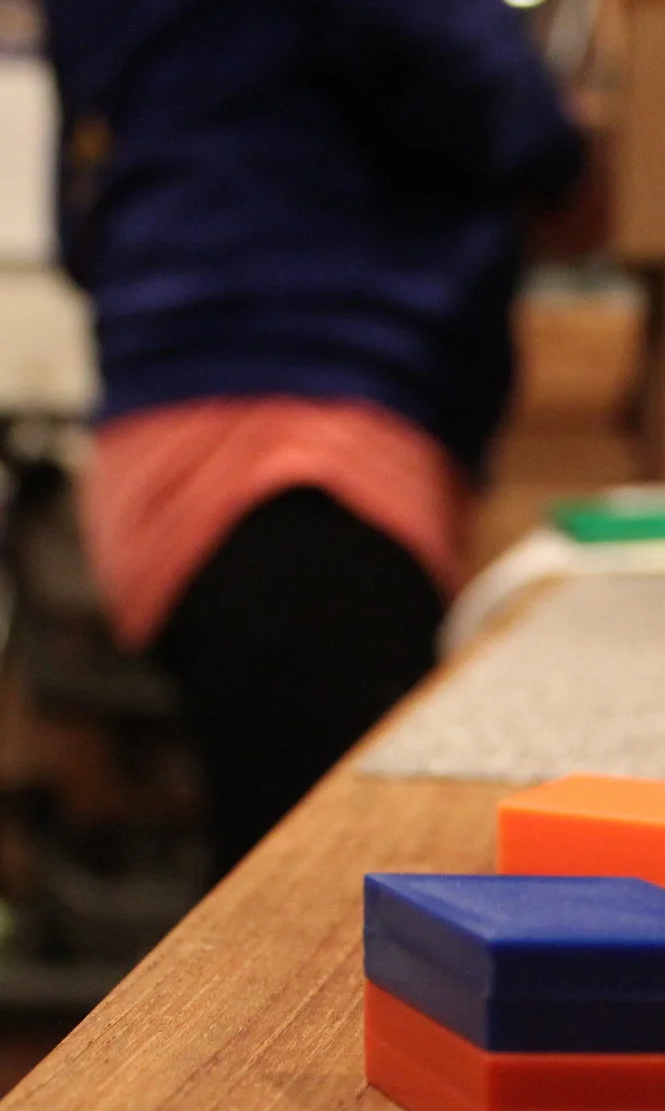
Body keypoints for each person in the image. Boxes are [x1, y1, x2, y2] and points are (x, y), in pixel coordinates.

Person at [42, 0, 587, 874]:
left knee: (280, 863)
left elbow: (80, 219)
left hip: (171, 431)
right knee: (329, 895)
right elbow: (507, 109)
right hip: (304, 450)